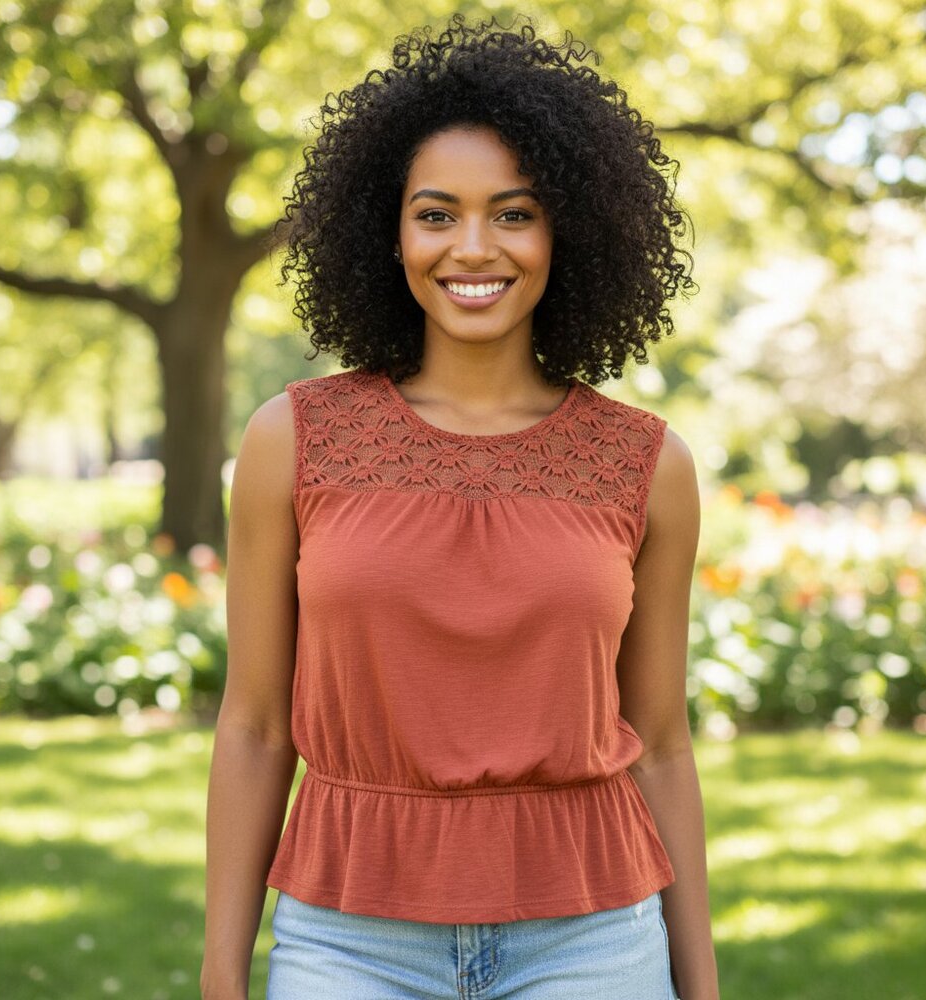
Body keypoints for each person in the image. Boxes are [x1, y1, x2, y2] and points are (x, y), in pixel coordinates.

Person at [201, 13, 717, 1000]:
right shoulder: (292, 438)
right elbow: (257, 726)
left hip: (592, 941)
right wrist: (224, 971)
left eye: (513, 213)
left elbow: (659, 741)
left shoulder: (647, 464)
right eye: (436, 213)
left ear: (569, 228)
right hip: (348, 942)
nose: (473, 247)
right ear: (385, 232)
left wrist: (700, 983)